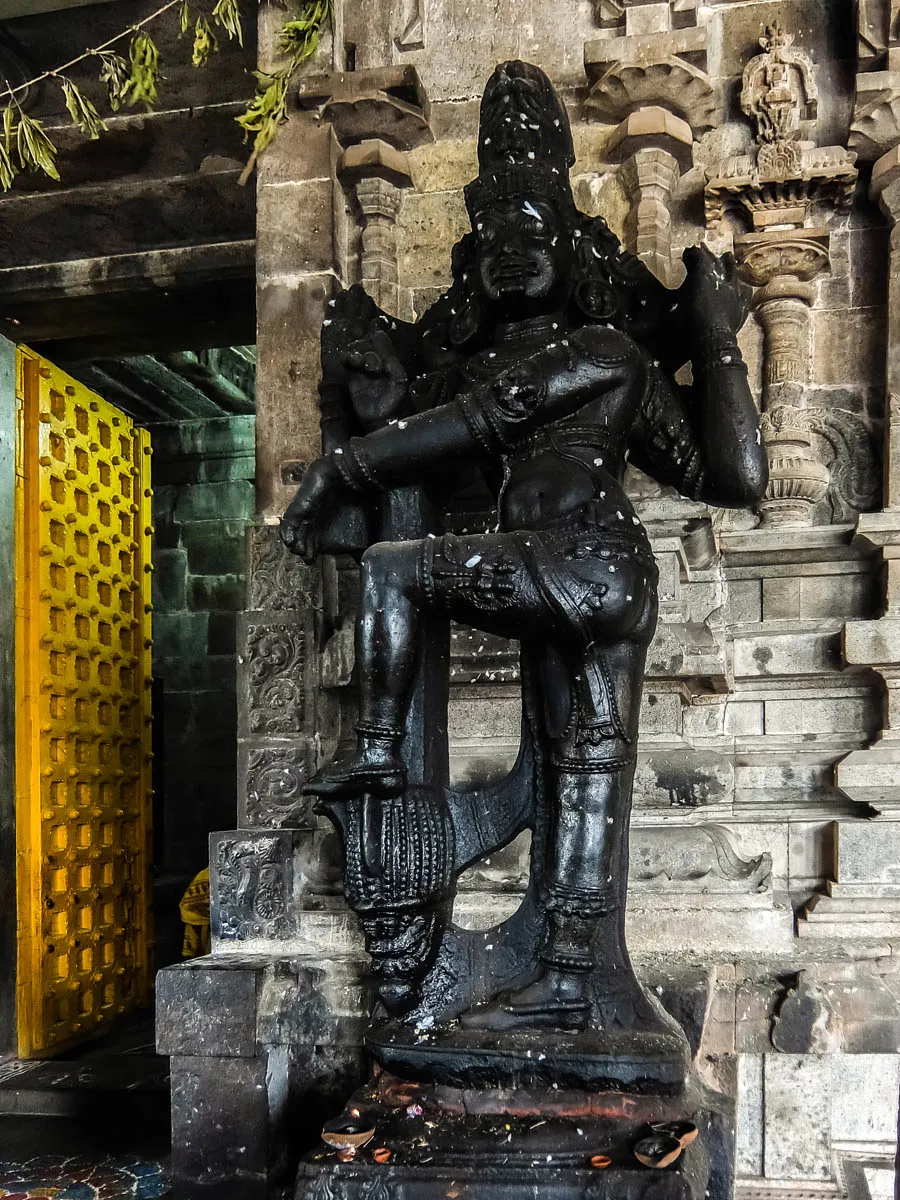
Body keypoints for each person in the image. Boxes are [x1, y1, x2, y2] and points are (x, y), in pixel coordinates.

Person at [280, 61, 767, 1034]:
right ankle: (574, 977)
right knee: (580, 760)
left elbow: (734, 474)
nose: (509, 254)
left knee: (396, 577)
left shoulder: (601, 354)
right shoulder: (511, 364)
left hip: (589, 559)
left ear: (574, 248)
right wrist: (365, 402)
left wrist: (716, 338)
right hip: (580, 572)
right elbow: (425, 431)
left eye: (532, 234)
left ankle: (375, 754)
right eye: (494, 237)